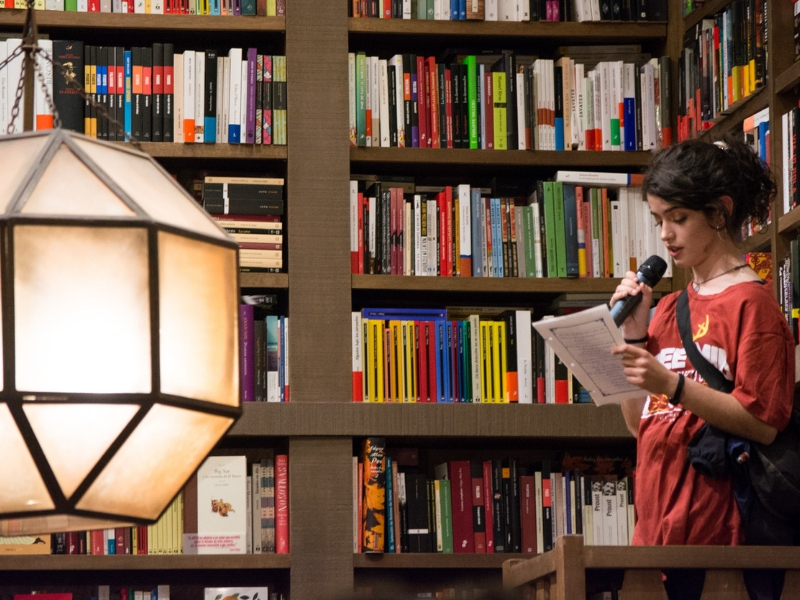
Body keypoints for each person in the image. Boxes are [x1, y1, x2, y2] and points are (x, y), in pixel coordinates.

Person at [609, 134, 796, 600]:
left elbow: (763, 422)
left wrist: (673, 386)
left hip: (721, 539)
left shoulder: (752, 304)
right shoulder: (669, 308)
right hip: (655, 538)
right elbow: (640, 426)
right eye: (659, 220)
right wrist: (633, 334)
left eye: (679, 218)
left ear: (719, 212)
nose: (666, 235)